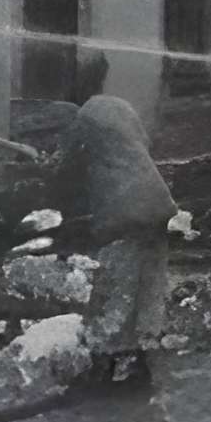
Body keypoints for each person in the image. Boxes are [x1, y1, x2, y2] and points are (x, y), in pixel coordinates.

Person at [39, 52, 181, 391]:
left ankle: (101, 370)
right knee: (148, 290)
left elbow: (64, 166)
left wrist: (41, 164)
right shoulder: (122, 107)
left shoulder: (84, 115)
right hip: (157, 203)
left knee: (114, 290)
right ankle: (144, 367)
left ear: (79, 81)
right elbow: (139, 145)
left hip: (124, 212)